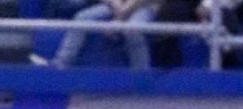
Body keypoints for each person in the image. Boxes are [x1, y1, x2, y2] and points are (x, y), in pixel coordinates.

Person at [34, 0, 162, 69]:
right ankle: (60, 65)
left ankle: (141, 75)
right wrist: (114, 4)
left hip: (144, 6)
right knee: (82, 18)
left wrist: (119, 19)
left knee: (132, 30)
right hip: (117, 6)